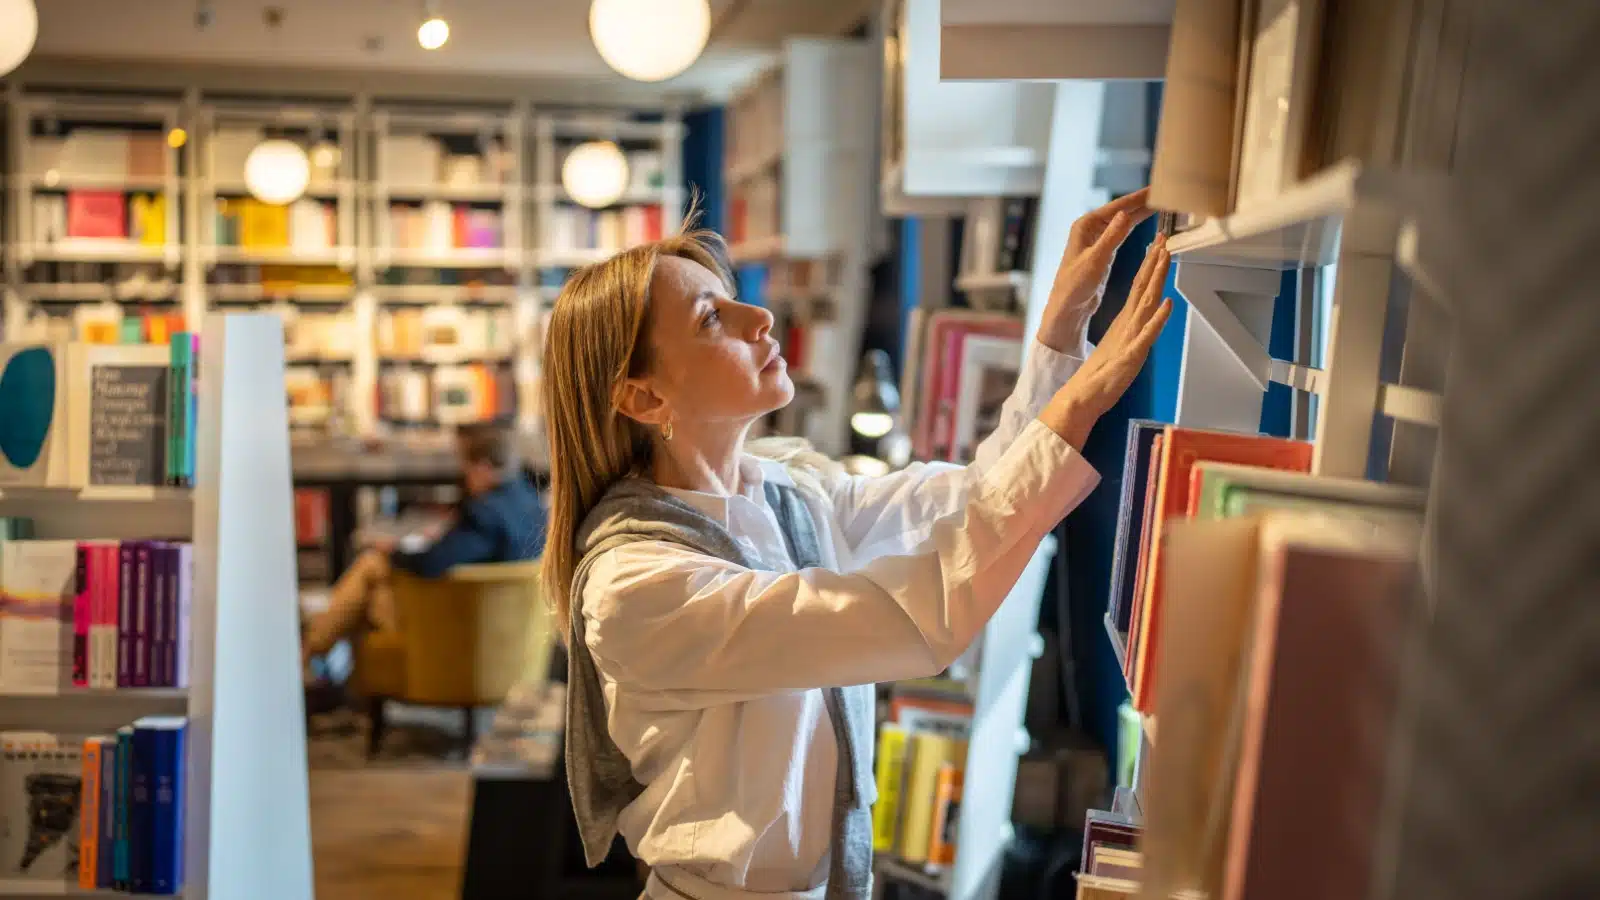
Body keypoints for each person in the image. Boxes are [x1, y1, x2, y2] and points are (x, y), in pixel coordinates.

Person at [543, 190, 1170, 900]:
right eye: (712, 318)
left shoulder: (789, 493)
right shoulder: (636, 585)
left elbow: (971, 498)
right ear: (647, 400)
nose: (762, 317)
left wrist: (1060, 333)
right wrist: (1076, 407)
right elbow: (911, 615)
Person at [301, 423, 548, 667]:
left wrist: (393, 553)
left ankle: (310, 653)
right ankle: (317, 656)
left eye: (465, 467)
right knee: (368, 597)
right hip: (509, 632)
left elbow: (431, 563)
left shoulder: (484, 514)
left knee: (371, 571)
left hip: (462, 626)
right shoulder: (530, 502)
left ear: (482, 467)